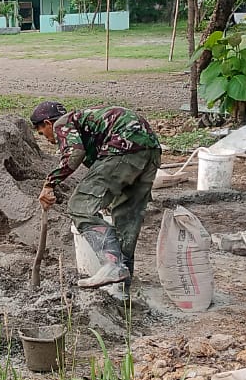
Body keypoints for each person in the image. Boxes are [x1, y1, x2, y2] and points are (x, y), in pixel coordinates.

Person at [30, 101, 162, 288]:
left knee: (79, 206)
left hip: (122, 146)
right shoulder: (86, 124)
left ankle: (112, 264)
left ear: (47, 123)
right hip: (150, 151)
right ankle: (123, 289)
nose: (49, 140)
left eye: (43, 133)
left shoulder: (62, 123)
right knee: (126, 219)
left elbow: (74, 154)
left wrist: (49, 183)